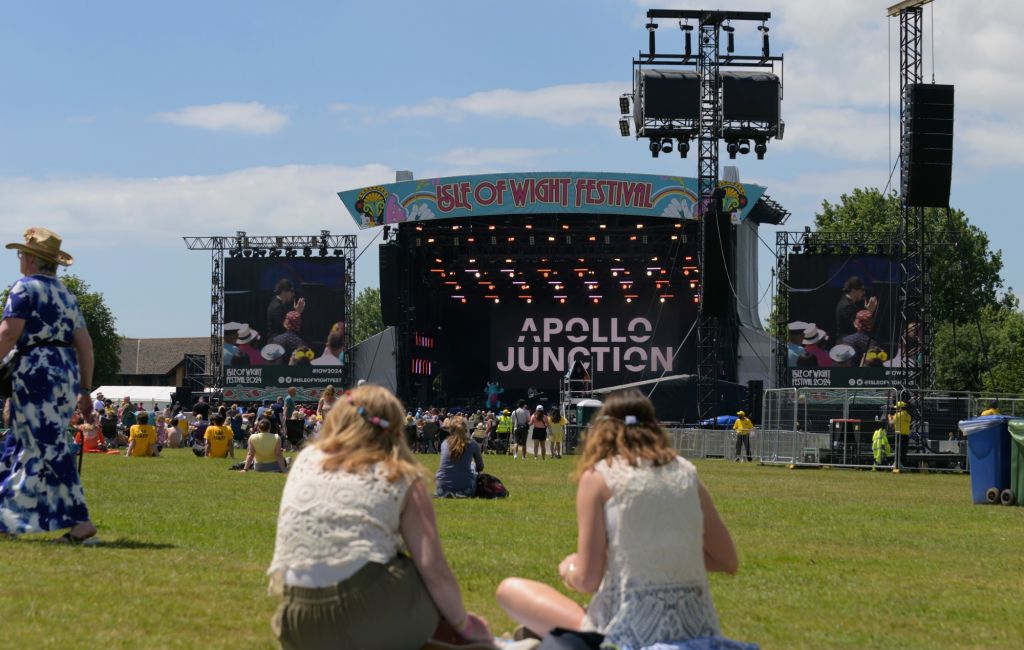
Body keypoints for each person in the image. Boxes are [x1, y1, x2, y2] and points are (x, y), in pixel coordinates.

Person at [495, 388, 739, 647]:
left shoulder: (599, 477)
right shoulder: (687, 473)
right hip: (697, 629)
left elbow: (587, 580)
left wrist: (569, 568)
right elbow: (727, 560)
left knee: (509, 590)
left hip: (625, 632)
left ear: (603, 429)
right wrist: (661, 548)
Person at [266, 384, 493, 648]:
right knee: (416, 569)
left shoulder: (306, 459)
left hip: (297, 619)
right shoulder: (400, 474)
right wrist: (465, 625)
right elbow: (434, 570)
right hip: (369, 610)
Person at [0, 227, 98, 543]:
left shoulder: (24, 289)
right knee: (22, 442)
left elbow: (8, 334)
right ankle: (6, 520)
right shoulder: (66, 296)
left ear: (30, 258)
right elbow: (85, 345)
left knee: (46, 444)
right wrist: (85, 390)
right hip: (64, 373)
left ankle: (81, 523)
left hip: (34, 372)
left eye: (21, 254)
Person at [435, 417, 484, 498]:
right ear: (465, 430)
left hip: (441, 487)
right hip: (465, 487)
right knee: (472, 466)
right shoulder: (472, 444)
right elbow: (480, 467)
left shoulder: (444, 443)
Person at [835, 276, 878, 340]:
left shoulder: (846, 302)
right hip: (847, 343)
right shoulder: (847, 306)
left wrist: (867, 311)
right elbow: (856, 328)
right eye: (862, 290)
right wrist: (869, 312)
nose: (864, 292)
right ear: (854, 290)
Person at [891, 401, 912, 472]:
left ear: (900, 408)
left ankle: (897, 464)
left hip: (899, 435)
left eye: (897, 408)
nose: (896, 409)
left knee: (897, 450)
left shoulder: (897, 415)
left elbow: (891, 423)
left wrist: (889, 417)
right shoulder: (908, 416)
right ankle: (903, 465)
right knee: (904, 451)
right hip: (906, 436)